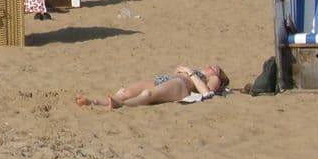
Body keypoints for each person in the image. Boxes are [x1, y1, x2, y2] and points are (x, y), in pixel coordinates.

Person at [75, 65, 229, 108]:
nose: (210, 66)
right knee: (127, 91)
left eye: (214, 67)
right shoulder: (199, 72)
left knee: (148, 94)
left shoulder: (213, 78)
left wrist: (189, 72)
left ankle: (120, 104)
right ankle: (94, 102)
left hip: (181, 85)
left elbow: (207, 93)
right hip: (165, 78)